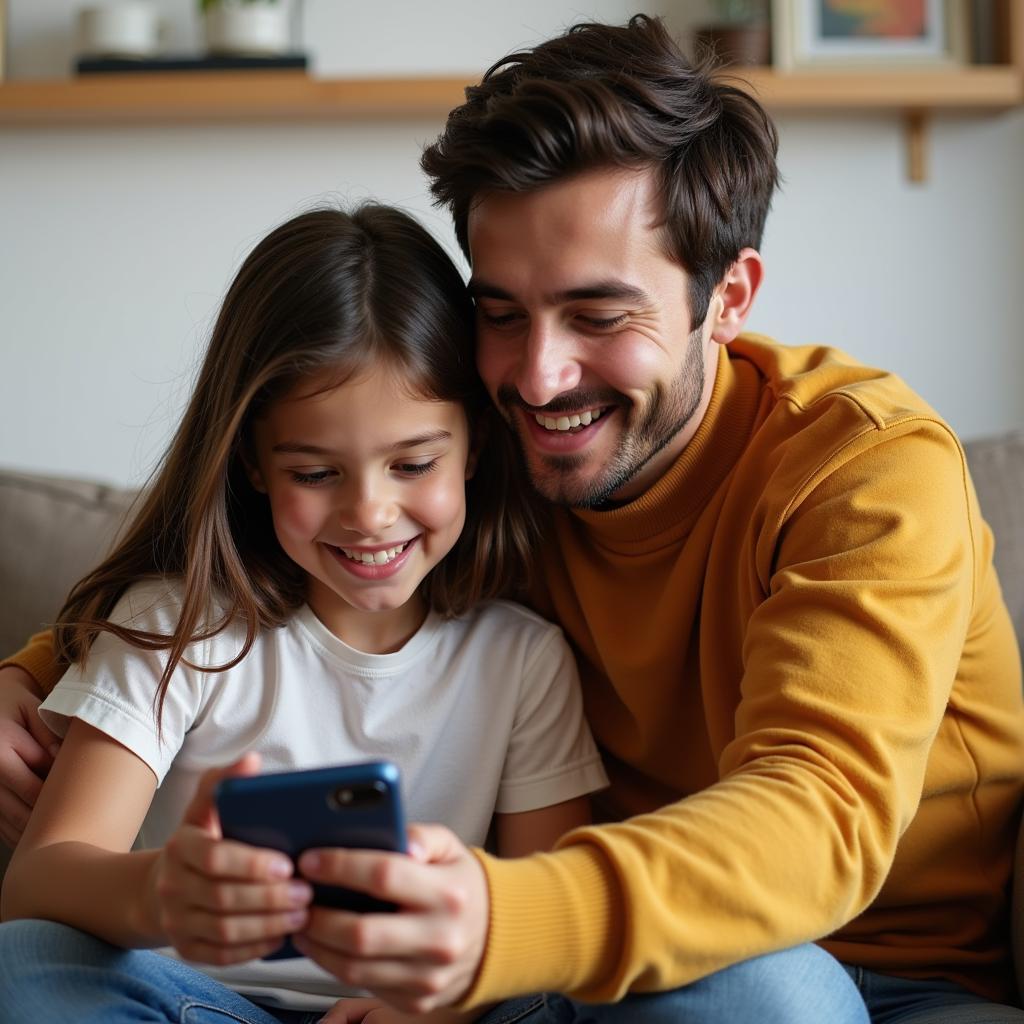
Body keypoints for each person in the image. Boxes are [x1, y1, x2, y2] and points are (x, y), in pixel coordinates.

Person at [2, 14, 1023, 1024]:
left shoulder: (864, 469)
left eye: (598, 313)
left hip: (875, 976)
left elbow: (817, 818)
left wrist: (492, 928)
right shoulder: (508, 463)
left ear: (728, 296)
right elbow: (253, 578)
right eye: (501, 312)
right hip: (590, 966)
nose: (538, 376)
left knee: (756, 991)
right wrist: (32, 676)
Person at [0, 204, 609, 1024]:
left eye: (414, 463)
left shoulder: (524, 658)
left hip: (424, 1012)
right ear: (252, 461)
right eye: (317, 474)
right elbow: (37, 880)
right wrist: (161, 892)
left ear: (477, 449)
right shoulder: (176, 626)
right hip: (195, 1003)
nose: (370, 513)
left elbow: (544, 916)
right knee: (28, 963)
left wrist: (437, 1012)